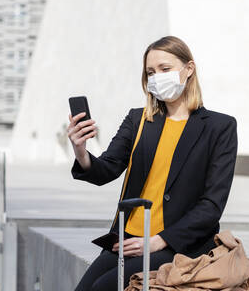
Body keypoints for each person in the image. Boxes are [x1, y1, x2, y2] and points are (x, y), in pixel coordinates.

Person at [67, 35, 238, 291]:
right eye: (150, 72)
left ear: (188, 69)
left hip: (176, 244)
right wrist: (81, 151)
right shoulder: (138, 120)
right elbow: (107, 168)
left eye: (165, 69)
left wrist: (160, 241)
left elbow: (212, 205)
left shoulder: (220, 127)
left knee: (103, 287)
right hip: (128, 240)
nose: (157, 77)